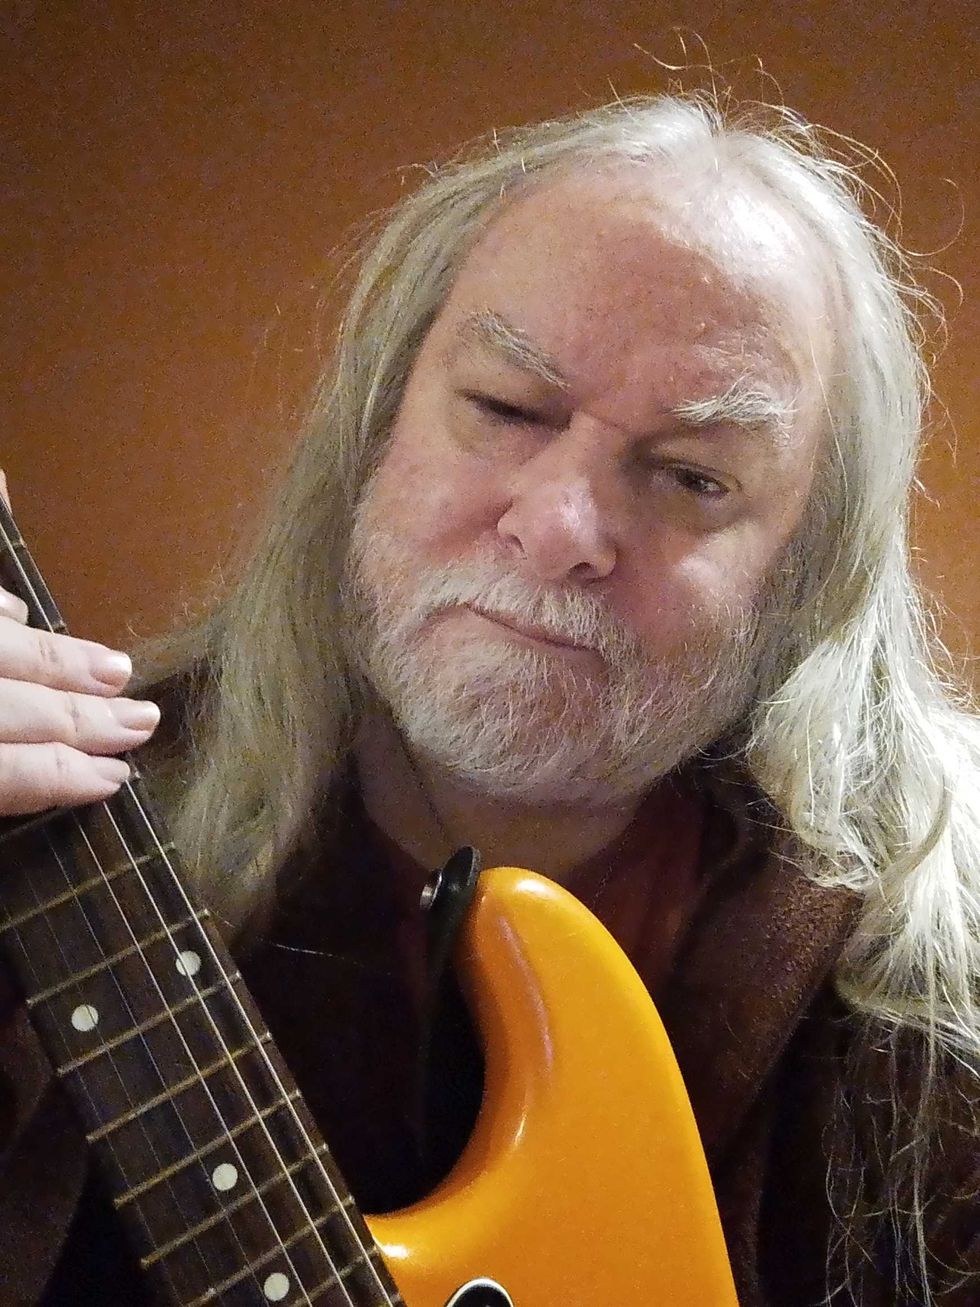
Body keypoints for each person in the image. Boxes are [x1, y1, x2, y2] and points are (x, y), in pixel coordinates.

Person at [0, 92, 977, 1305]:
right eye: (506, 407)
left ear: (807, 570)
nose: (559, 527)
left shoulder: (943, 986)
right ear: (376, 422)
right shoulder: (54, 830)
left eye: (690, 476)